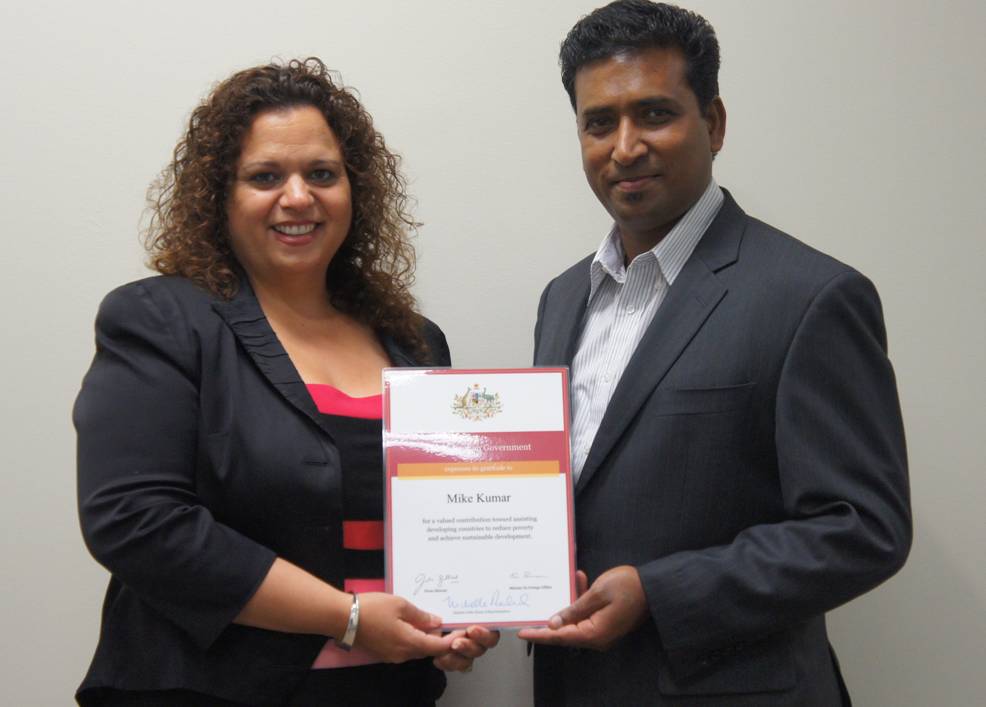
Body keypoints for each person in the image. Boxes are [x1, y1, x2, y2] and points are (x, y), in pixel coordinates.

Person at [517, 2, 911, 705]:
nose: (625, 147)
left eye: (655, 114)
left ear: (715, 123)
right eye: (599, 123)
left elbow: (863, 528)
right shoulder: (563, 298)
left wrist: (659, 591)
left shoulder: (809, 296)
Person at [74, 58, 497, 707]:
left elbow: (450, 519)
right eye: (265, 176)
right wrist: (346, 617)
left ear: (355, 190)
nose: (298, 197)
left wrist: (464, 613)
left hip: (389, 690)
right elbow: (135, 520)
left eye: (322, 174)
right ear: (220, 195)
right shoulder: (161, 320)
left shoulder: (414, 343)